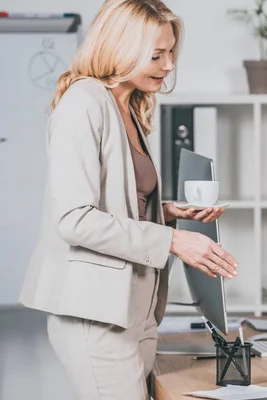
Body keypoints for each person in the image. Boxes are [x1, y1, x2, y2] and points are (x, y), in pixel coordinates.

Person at [19, 1, 239, 399]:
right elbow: (74, 218)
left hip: (135, 308)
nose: (169, 65)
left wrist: (168, 213)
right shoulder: (84, 103)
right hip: (97, 312)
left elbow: (120, 203)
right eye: (156, 55)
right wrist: (173, 241)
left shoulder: (128, 106)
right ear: (119, 47)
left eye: (171, 52)